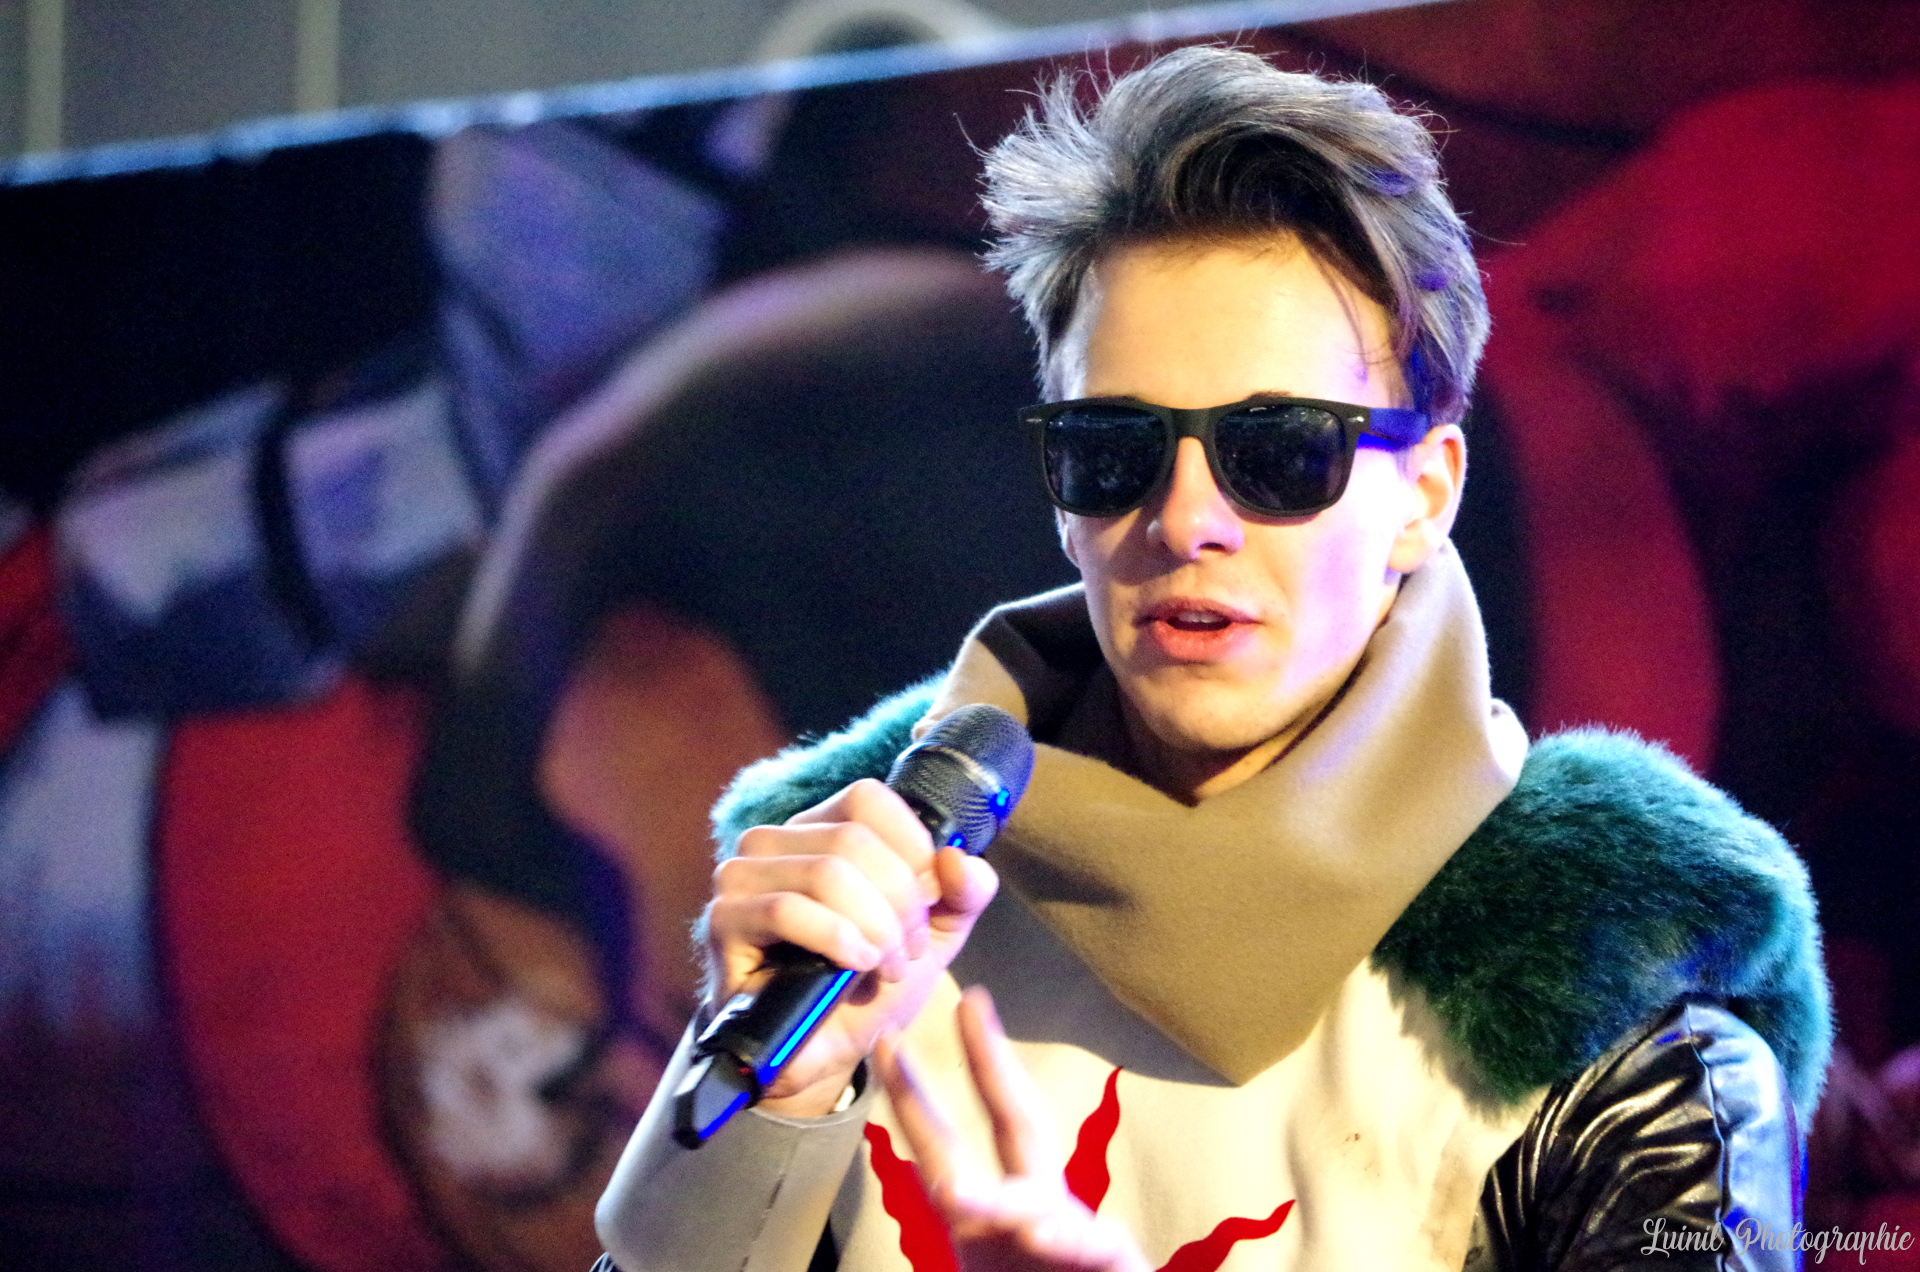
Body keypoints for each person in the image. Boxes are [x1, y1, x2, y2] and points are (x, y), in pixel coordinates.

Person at [594, 47, 1828, 1272]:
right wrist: (763, 1113)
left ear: (1425, 496)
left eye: (1281, 450)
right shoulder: (855, 925)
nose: (1185, 520)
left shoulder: (1616, 987)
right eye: (1114, 447)